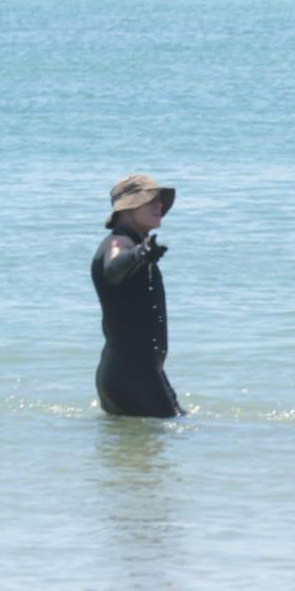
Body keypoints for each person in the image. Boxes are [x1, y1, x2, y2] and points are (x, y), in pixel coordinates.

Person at [90, 174, 182, 418]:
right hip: (130, 373)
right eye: (148, 200)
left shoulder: (135, 245)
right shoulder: (118, 243)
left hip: (136, 371)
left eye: (159, 201)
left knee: (168, 431)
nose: (158, 205)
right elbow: (112, 269)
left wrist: (141, 253)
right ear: (126, 208)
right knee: (171, 432)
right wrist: (139, 255)